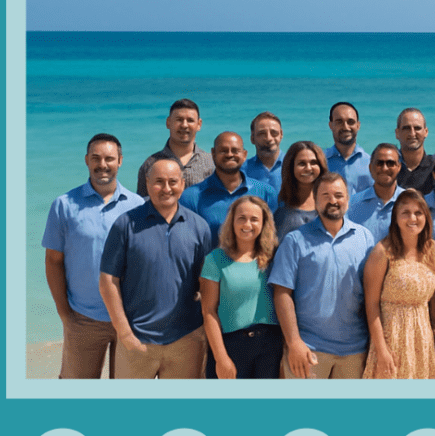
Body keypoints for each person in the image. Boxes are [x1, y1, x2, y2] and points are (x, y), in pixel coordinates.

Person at [98, 157, 216, 379]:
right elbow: (108, 281)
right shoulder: (125, 224)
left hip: (185, 340)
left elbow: (206, 284)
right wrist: (124, 333)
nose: (166, 188)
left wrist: (201, 333)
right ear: (147, 182)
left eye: (173, 182)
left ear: (182, 184)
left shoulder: (199, 227)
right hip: (136, 340)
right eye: (159, 182)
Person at [42, 133, 146, 378]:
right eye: (96, 158)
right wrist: (65, 314)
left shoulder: (138, 206)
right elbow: (53, 262)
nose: (102, 165)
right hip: (83, 318)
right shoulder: (64, 205)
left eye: (109, 158)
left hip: (129, 318)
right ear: (86, 160)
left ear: (120, 161)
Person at [269, 172, 375, 379]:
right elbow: (282, 293)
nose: (333, 201)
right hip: (308, 348)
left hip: (355, 350)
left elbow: (373, 293)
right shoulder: (295, 240)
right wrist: (294, 343)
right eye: (325, 195)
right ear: (315, 200)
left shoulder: (365, 238)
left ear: (348, 198)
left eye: (338, 195)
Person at [198, 196, 282, 379]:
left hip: (270, 347)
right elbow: (208, 311)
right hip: (230, 346)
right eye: (242, 218)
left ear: (264, 223)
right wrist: (221, 358)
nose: (247, 224)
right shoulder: (215, 260)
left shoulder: (275, 257)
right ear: (232, 221)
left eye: (254, 219)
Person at [362, 191, 435, 379]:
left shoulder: (433, 250)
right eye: (405, 212)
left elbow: (434, 300)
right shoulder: (383, 252)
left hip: (423, 341)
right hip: (391, 339)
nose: (412, 218)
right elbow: (371, 305)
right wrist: (382, 350)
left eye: (418, 213)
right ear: (396, 218)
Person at [183, 131, 279, 230]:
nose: (229, 155)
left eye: (235, 151)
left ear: (244, 155)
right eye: (223, 150)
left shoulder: (266, 193)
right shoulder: (191, 197)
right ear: (213, 153)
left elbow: (272, 237)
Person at [135, 98, 214, 195]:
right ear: (168, 122)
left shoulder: (211, 164)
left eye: (190, 120)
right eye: (179, 120)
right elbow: (143, 204)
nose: (184, 125)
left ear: (199, 124)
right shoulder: (150, 164)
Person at [347, 143, 407, 243]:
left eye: (390, 163)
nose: (384, 168)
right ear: (370, 167)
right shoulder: (352, 204)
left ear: (399, 167)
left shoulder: (409, 202)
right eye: (379, 163)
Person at [272, 140, 329, 235]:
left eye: (313, 162)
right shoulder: (281, 206)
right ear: (291, 167)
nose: (308, 168)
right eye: (302, 163)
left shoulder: (330, 200)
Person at [326, 102, 372, 196]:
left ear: (358, 125)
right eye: (339, 122)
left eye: (350, 122)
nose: (345, 127)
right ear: (331, 125)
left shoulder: (371, 163)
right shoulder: (319, 162)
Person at [393, 108, 435, 195]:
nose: (412, 133)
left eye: (417, 128)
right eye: (406, 128)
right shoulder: (387, 166)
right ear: (397, 133)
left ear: (426, 132)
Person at [241, 111, 285, 191]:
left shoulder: (294, 166)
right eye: (262, 133)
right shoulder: (242, 171)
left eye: (274, 133)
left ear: (281, 134)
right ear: (252, 138)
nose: (269, 138)